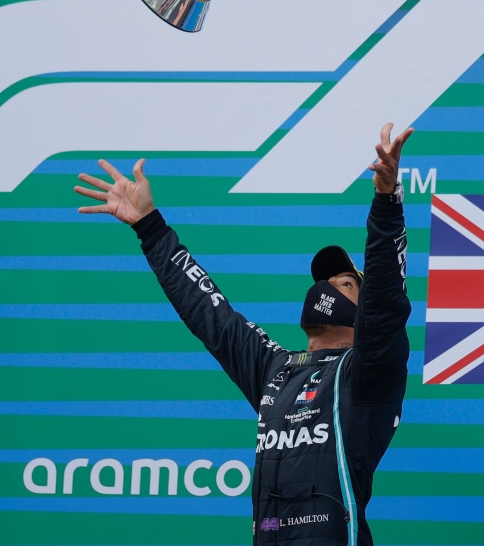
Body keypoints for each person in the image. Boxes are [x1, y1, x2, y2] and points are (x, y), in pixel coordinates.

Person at [74, 123, 414, 546]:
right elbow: (209, 311)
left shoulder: (367, 373)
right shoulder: (276, 368)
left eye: (344, 283)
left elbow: (385, 301)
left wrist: (386, 203)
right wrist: (149, 227)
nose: (326, 286)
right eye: (323, 280)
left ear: (363, 316)